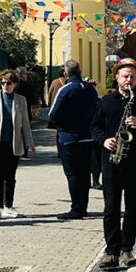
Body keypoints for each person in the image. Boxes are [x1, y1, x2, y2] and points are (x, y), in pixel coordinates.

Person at [91, 59, 136, 270]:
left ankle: (127, 248)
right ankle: (111, 251)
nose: (128, 80)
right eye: (124, 76)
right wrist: (104, 140)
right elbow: (94, 127)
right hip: (111, 160)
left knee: (132, 208)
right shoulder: (106, 101)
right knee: (111, 207)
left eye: (132, 76)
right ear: (117, 78)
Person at [0, 70, 36, 221]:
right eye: (2, 83)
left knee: (10, 177)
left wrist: (29, 143)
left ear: (15, 84)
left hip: (13, 143)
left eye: (8, 83)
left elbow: (25, 124)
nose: (5, 86)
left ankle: (8, 207)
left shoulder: (21, 100)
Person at [48, 61, 99, 220]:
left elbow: (52, 114)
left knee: (73, 174)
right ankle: (83, 206)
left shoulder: (66, 89)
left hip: (70, 137)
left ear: (65, 74)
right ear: (80, 71)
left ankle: (76, 208)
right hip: (88, 136)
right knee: (85, 173)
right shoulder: (90, 88)